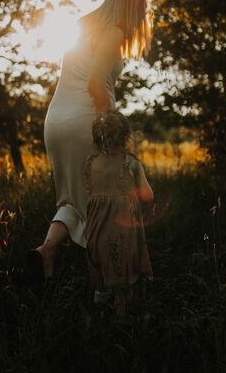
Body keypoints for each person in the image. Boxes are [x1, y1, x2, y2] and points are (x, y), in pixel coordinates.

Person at [30, 0, 152, 283]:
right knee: (100, 206)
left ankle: (46, 251)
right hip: (86, 121)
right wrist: (110, 127)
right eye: (142, 10)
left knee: (71, 200)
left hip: (56, 122)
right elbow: (96, 85)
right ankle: (102, 291)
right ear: (131, 8)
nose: (143, 17)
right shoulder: (114, 32)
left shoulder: (83, 26)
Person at [84, 111, 154, 317]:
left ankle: (98, 310)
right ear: (126, 136)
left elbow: (91, 191)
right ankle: (120, 330)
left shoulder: (90, 162)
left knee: (100, 276)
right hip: (122, 237)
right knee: (123, 282)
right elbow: (148, 196)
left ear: (97, 137)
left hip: (95, 235)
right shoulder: (130, 164)